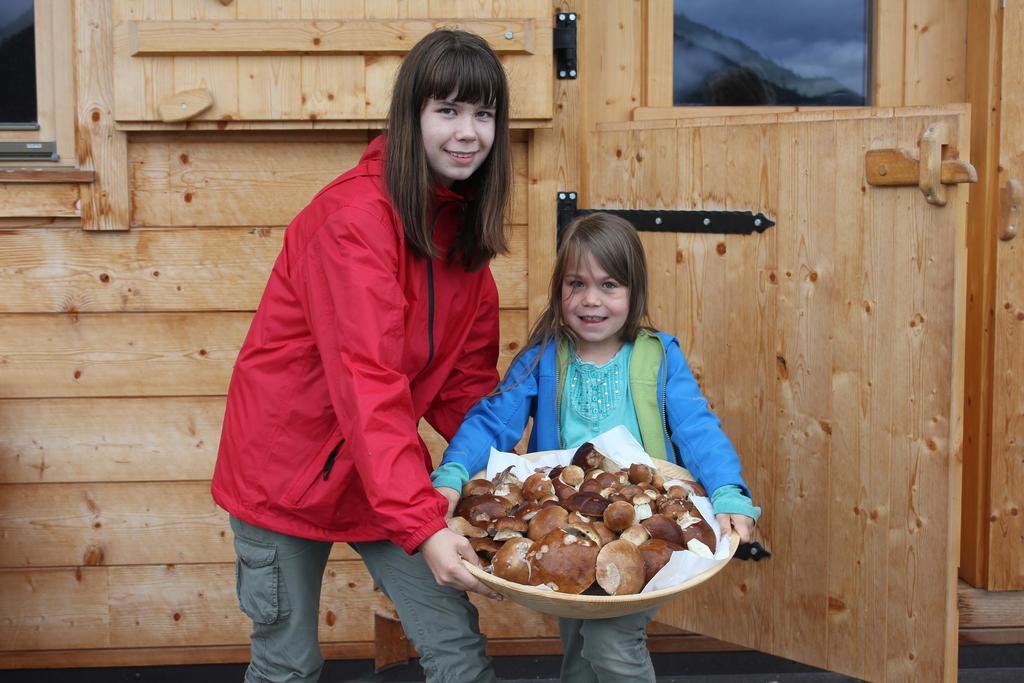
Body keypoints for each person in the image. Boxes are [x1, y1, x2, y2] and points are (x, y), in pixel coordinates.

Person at [211, 29, 512, 683]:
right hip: (286, 474)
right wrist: (426, 527)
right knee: (287, 663)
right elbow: (367, 384)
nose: (468, 132)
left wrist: (516, 477)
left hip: (382, 469)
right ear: (412, 117)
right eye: (448, 110)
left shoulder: (463, 236)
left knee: (456, 649)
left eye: (483, 114)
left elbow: (466, 385)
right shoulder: (353, 222)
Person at [432, 212, 762, 683]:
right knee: (580, 654)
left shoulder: (658, 355)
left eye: (610, 285)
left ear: (634, 292)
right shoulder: (545, 354)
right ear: (559, 289)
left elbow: (698, 429)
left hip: (641, 530)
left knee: (612, 646)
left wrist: (728, 490)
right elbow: (493, 420)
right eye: (576, 284)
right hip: (568, 530)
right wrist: (453, 473)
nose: (591, 300)